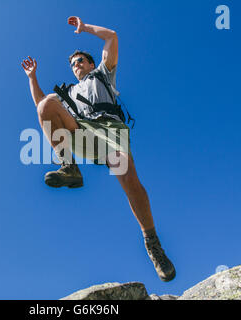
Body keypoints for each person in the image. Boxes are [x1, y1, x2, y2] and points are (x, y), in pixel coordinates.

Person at [21, 16, 176, 282]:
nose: (76, 65)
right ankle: (69, 167)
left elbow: (112, 37)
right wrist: (32, 78)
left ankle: (152, 243)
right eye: (72, 64)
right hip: (83, 132)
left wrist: (85, 29)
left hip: (112, 131)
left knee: (129, 180)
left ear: (91, 63)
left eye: (80, 61)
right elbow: (41, 105)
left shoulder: (103, 74)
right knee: (46, 105)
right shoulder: (69, 91)